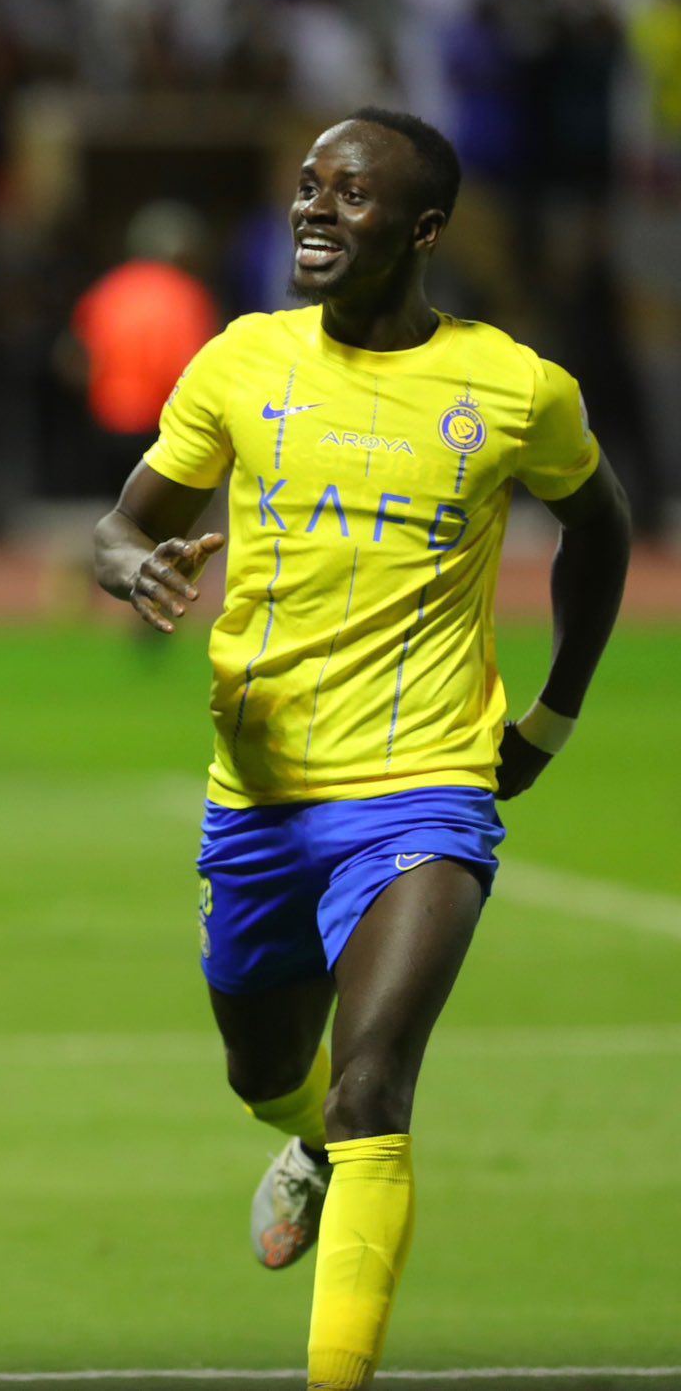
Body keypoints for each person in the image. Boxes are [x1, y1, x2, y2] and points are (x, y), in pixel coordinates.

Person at [91, 108, 631, 1390]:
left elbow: (599, 531)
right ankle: (304, 1141)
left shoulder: (511, 387)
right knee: (266, 1066)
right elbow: (119, 523)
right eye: (305, 186)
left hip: (422, 792)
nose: (312, 210)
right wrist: (134, 567)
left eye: (350, 194)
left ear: (423, 231)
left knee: (371, 1081)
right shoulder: (242, 361)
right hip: (260, 798)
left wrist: (548, 715)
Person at [66, 200, 219, 496]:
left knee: (117, 509)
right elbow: (194, 367)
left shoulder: (108, 289)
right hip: (160, 424)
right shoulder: (186, 294)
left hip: (108, 421)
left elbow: (78, 358)